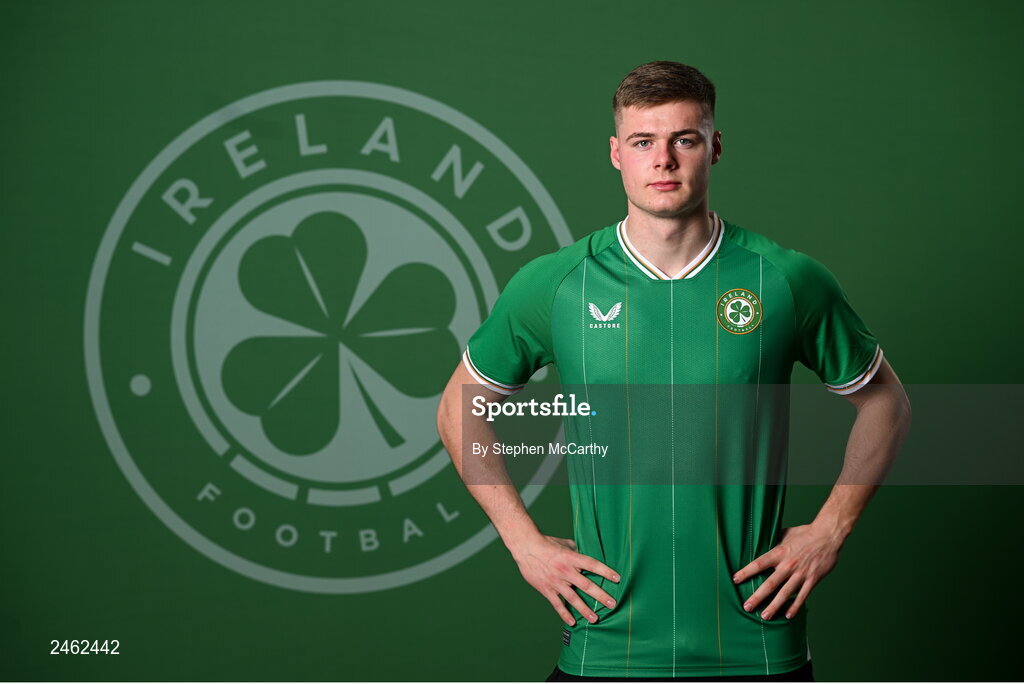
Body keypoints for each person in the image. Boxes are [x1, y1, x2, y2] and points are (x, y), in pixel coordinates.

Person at [436, 61, 911, 682]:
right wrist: (523, 541)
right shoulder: (555, 285)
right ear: (616, 154)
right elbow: (458, 407)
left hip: (755, 641)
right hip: (606, 642)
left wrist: (830, 529)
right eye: (643, 142)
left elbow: (886, 403)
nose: (663, 159)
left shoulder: (787, 281)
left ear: (714, 147)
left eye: (683, 139)